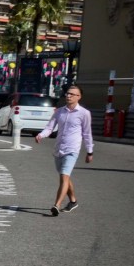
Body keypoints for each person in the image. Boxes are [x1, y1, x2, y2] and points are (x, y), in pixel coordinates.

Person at [35, 85, 94, 216]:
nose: (68, 96)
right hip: (58, 149)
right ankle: (73, 201)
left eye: (72, 94)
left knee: (64, 176)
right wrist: (41, 135)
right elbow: (50, 128)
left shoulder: (84, 113)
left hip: (72, 150)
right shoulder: (59, 111)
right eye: (67, 94)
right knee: (65, 176)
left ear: (79, 97)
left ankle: (56, 205)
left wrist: (90, 152)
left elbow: (87, 134)